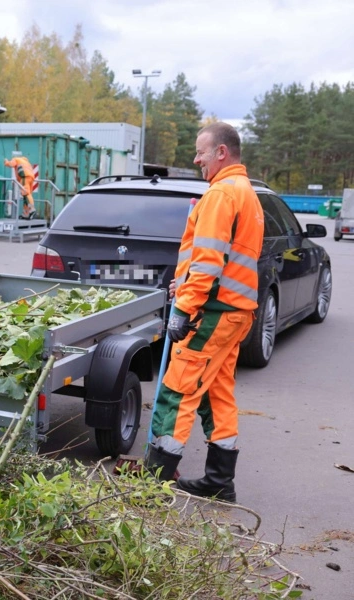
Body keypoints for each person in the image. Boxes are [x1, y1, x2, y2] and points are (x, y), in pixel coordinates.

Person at [143, 122, 264, 503]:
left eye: (201, 152)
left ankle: (153, 482)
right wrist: (188, 285)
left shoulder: (220, 194)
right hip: (234, 311)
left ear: (222, 153)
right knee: (216, 391)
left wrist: (184, 307)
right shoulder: (247, 194)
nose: (196, 159)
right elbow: (224, 262)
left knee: (177, 389)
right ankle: (219, 481)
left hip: (212, 312)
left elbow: (209, 261)